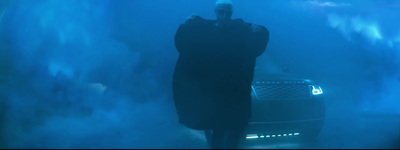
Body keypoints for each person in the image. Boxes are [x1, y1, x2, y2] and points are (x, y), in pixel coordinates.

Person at [172, 0, 269, 149]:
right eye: (221, 11)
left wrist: (259, 30)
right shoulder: (206, 29)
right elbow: (186, 40)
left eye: (227, 12)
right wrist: (189, 24)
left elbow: (257, 37)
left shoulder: (240, 29)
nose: (224, 15)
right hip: (215, 91)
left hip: (235, 89)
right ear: (216, 12)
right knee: (218, 128)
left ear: (231, 13)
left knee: (235, 126)